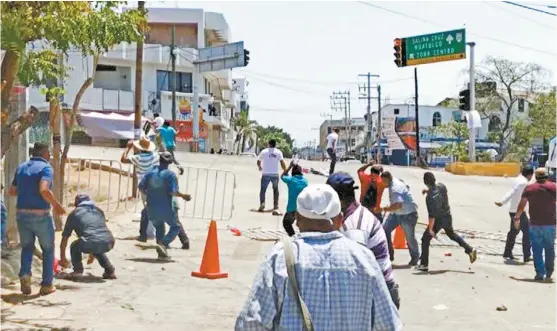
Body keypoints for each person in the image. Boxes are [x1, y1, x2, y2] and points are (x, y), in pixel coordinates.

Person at [235, 184, 401, 331]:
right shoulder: (364, 259)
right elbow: (388, 325)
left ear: (297, 220)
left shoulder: (280, 257)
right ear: (340, 220)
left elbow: (251, 324)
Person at [326, 172, 400, 309]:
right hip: (374, 285)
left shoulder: (355, 227)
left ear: (339, 198)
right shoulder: (352, 215)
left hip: (379, 291)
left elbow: (355, 270)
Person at [9, 142, 66, 296]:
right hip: (41, 215)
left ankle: (25, 275)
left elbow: (12, 191)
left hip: (21, 214)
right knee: (48, 249)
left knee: (27, 247)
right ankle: (47, 284)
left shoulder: (21, 167)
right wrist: (57, 206)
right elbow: (44, 189)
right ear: (45, 153)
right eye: (49, 153)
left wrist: (27, 191)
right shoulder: (46, 168)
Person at [416, 172, 477, 272]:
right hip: (447, 216)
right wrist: (428, 191)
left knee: (425, 239)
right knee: (451, 234)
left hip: (438, 220)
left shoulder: (430, 198)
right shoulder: (442, 186)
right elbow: (438, 193)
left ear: (425, 182)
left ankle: (423, 264)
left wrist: (431, 229)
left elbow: (432, 215)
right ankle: (469, 249)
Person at [139, 152, 192, 259]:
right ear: (170, 162)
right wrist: (183, 196)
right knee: (176, 227)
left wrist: (151, 194)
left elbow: (141, 187)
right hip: (166, 208)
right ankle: (163, 244)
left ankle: (161, 253)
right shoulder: (170, 175)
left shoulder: (150, 173)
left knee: (159, 227)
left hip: (152, 208)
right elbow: (172, 192)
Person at [59, 194, 116, 279]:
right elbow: (96, 233)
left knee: (75, 246)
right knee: (95, 243)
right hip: (109, 241)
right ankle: (110, 270)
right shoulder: (98, 210)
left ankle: (77, 271)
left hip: (92, 242)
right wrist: (92, 254)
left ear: (76, 204)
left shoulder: (74, 214)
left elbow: (65, 238)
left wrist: (62, 258)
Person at [515, 168, 556, 281]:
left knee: (537, 249)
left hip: (535, 224)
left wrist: (517, 217)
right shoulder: (554, 187)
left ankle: (539, 273)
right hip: (550, 223)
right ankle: (549, 272)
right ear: (547, 176)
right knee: (549, 248)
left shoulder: (530, 188)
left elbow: (522, 204)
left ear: (536, 177)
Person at [379, 171, 420, 265]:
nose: (382, 184)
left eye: (383, 181)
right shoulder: (393, 182)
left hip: (408, 214)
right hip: (396, 214)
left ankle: (415, 257)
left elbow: (398, 205)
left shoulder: (395, 188)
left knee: (409, 237)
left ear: (387, 180)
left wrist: (384, 209)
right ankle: (389, 254)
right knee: (385, 230)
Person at [495, 165, 534, 262]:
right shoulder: (523, 183)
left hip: (514, 210)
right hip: (518, 211)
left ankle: (508, 253)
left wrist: (503, 201)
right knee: (527, 232)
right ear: (530, 175)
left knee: (514, 232)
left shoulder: (519, 179)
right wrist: (502, 201)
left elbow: (512, 189)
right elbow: (513, 192)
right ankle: (526, 255)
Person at [256, 139, 287, 213]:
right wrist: (285, 170)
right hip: (275, 174)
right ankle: (275, 206)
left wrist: (260, 167)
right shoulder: (278, 152)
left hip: (265, 174)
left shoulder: (264, 151)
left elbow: (258, 161)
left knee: (263, 190)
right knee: (276, 190)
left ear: (269, 144)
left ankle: (262, 204)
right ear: (275, 144)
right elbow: (282, 162)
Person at [280, 161, 308, 236]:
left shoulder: (291, 180)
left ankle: (293, 236)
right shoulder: (305, 181)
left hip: (292, 209)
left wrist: (289, 166)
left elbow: (282, 176)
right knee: (302, 225)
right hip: (303, 208)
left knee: (286, 223)